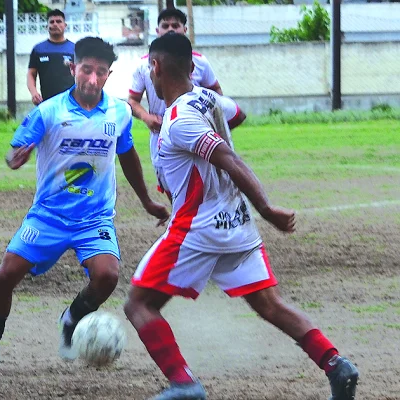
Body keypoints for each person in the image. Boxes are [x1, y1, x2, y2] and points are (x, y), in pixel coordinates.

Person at [123, 33, 359, 400]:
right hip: (237, 225)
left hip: (198, 228)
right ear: (192, 67)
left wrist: (267, 208)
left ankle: (184, 385)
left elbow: (228, 159)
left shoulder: (179, 120)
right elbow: (237, 114)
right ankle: (335, 363)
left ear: (154, 67)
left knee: (138, 303)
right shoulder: (210, 98)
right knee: (269, 304)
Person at [0, 37, 170, 375]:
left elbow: (127, 153)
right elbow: (13, 152)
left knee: (108, 276)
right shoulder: (48, 111)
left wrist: (146, 200)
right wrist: (17, 157)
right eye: (86, 69)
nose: (91, 78)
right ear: (73, 68)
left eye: (100, 72)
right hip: (48, 215)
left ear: (108, 75)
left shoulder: (119, 112)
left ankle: (71, 319)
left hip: (94, 217)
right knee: (6, 275)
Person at [128, 8, 237, 200]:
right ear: (157, 30)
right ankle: (181, 217)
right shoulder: (143, 65)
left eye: (175, 25)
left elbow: (217, 93)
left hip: (193, 132)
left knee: (204, 184)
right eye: (165, 25)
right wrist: (147, 117)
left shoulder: (200, 61)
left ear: (184, 29)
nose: (170, 29)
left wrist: (211, 124)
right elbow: (132, 101)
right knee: (172, 186)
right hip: (161, 135)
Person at [27, 9, 75, 105]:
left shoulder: (74, 49)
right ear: (47, 26)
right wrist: (34, 93)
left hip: (70, 103)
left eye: (59, 21)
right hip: (46, 103)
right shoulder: (38, 49)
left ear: (65, 25)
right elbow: (31, 74)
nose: (55, 24)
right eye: (51, 22)